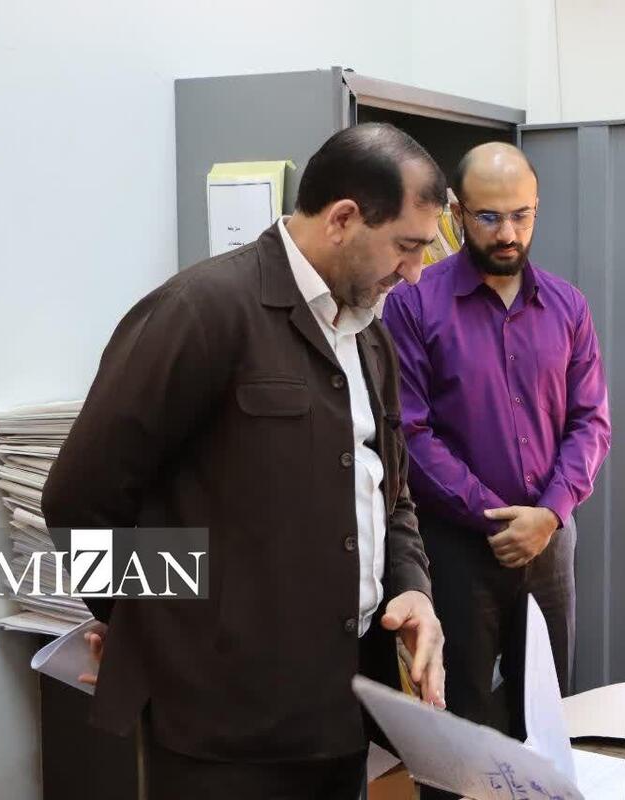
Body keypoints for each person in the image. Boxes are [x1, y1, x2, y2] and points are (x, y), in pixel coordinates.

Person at [42, 123, 448, 799]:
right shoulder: (202, 310)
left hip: (342, 714)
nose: (413, 273)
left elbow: (390, 491)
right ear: (343, 218)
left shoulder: (370, 336)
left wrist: (413, 587)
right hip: (221, 733)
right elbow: (76, 500)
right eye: (406, 247)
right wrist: (144, 626)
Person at [381, 142, 611, 794]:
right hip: (456, 547)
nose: (508, 233)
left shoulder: (567, 307)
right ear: (456, 213)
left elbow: (590, 423)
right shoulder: (413, 304)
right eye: (488, 217)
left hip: (549, 542)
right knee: (458, 723)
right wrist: (496, 517)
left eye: (521, 215)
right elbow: (411, 434)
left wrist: (549, 514)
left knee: (546, 714)